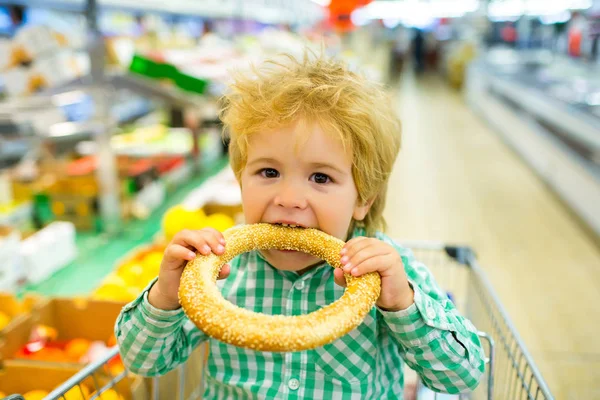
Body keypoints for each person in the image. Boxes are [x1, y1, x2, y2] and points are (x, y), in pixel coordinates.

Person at [115, 52, 486, 398]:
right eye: (269, 171)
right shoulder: (217, 273)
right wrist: (164, 297)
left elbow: (462, 375)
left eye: (321, 178)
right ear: (239, 179)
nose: (290, 198)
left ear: (363, 198)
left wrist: (403, 304)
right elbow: (144, 361)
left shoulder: (387, 272)